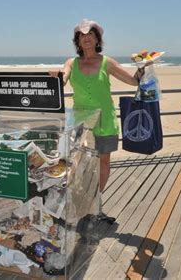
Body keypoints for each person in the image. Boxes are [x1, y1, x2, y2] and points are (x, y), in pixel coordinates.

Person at [50, 19, 147, 219]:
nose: (86, 38)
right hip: (80, 123)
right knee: (78, 165)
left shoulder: (106, 62)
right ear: (77, 41)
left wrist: (144, 66)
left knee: (103, 164)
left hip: (104, 121)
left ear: (97, 39)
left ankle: (96, 202)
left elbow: (132, 81)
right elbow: (63, 77)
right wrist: (57, 76)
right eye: (82, 35)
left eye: (90, 35)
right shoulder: (71, 62)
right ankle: (78, 202)